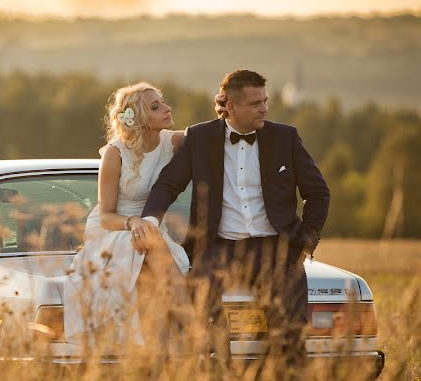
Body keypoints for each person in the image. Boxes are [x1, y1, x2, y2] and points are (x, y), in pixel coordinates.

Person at [135, 69, 330, 360]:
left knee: (289, 330)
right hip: (219, 248)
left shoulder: (285, 138)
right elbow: (169, 183)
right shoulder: (200, 138)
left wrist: (304, 243)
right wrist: (150, 219)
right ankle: (218, 380)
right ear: (231, 107)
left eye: (265, 101)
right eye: (255, 104)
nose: (264, 108)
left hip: (276, 248)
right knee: (203, 311)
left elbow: (318, 193)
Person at [63, 82, 190, 346]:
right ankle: (193, 326)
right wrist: (133, 222)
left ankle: (157, 354)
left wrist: (223, 106)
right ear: (140, 119)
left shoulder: (173, 141)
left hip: (151, 228)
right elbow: (107, 216)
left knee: (151, 255)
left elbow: (208, 136)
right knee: (149, 241)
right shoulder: (115, 153)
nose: (166, 109)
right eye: (156, 107)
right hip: (114, 230)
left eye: (163, 102)